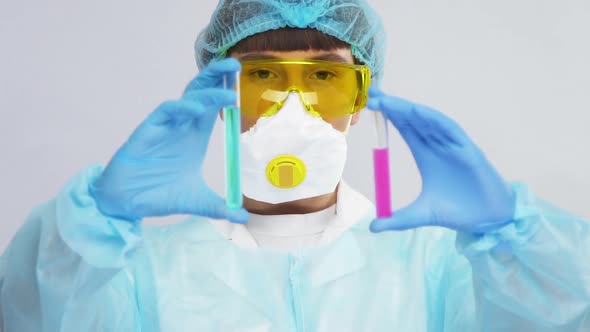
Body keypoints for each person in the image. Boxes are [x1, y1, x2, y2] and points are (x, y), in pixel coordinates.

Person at [1, 0, 589, 331]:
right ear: (218, 95)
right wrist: (90, 228)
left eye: (325, 77)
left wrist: (515, 237)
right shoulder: (137, 273)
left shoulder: (435, 267)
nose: (292, 107)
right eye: (260, 75)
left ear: (362, 99)